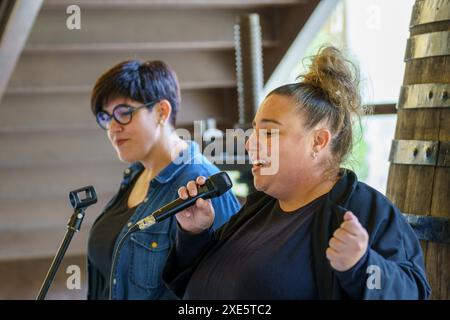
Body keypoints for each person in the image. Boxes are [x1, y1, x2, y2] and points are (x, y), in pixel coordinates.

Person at [162, 47, 431, 299]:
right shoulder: (260, 208)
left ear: (318, 142)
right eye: (254, 131)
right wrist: (195, 235)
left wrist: (362, 266)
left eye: (268, 132)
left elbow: (413, 291)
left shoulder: (364, 208)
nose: (249, 143)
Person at [86, 60, 241, 300]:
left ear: (161, 111)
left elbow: (226, 290)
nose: (113, 128)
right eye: (106, 117)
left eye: (124, 113)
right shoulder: (136, 174)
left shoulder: (202, 185)